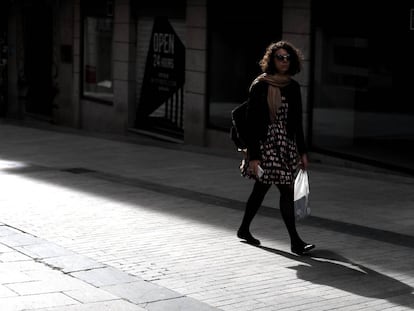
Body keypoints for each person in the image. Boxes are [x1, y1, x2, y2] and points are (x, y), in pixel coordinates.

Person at [236, 40, 315, 255]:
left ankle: (244, 229)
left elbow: (297, 122)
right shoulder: (260, 85)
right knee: (286, 190)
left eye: (288, 57)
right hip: (265, 144)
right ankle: (296, 242)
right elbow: (251, 122)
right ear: (272, 60)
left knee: (261, 189)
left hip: (285, 145)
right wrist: (254, 156)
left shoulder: (293, 87)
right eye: (280, 57)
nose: (284, 61)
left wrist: (302, 151)